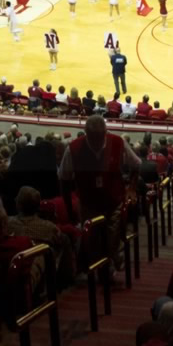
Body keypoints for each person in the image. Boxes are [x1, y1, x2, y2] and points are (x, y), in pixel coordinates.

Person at [58, 115, 141, 278]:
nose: (96, 141)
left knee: (112, 237)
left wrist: (131, 189)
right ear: (86, 134)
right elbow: (64, 179)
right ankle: (106, 266)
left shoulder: (117, 142)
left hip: (114, 201)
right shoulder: (73, 148)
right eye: (93, 137)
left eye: (99, 137)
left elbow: (136, 165)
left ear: (105, 132)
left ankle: (107, 267)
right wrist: (69, 210)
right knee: (92, 238)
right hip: (88, 203)